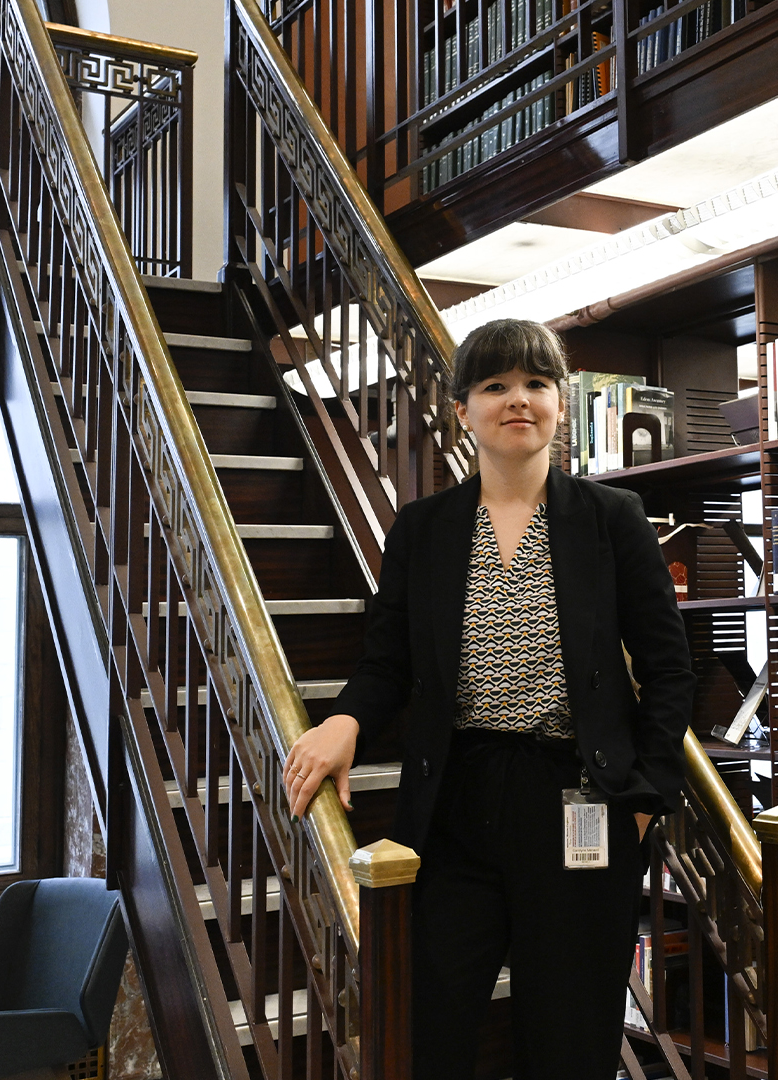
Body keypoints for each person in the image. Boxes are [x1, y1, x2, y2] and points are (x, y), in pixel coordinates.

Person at [279, 319, 694, 1080]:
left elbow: (670, 670)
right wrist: (344, 721)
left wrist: (645, 800)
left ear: (560, 406)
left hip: (580, 801)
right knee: (429, 1031)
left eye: (536, 384)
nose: (518, 401)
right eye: (495, 385)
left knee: (570, 1044)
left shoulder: (613, 520)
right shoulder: (425, 530)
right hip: (453, 810)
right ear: (463, 408)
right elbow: (387, 662)